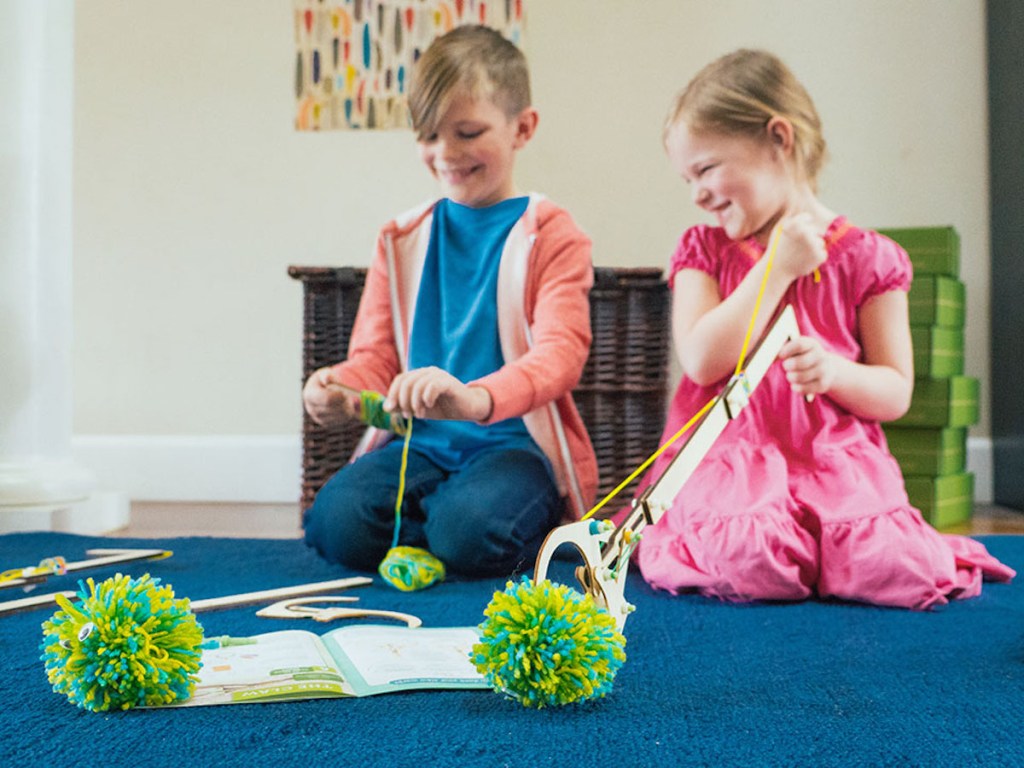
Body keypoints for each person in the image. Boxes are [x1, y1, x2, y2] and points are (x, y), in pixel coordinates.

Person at [634, 48, 1014, 609]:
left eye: (707, 168)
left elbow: (894, 391)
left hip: (835, 458)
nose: (697, 193)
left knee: (894, 562)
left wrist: (834, 372)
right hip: (737, 456)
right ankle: (802, 552)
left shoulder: (868, 258)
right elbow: (701, 360)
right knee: (751, 555)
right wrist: (776, 266)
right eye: (688, 177)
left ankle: (826, 551)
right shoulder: (705, 250)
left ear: (778, 139)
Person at [301, 25, 597, 578]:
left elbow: (560, 356)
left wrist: (475, 399)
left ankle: (458, 524)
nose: (445, 154)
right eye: (429, 135)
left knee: (470, 531)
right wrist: (340, 388)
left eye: (467, 132)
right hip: (422, 447)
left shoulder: (553, 234)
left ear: (523, 128)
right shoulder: (401, 239)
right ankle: (441, 524)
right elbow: (379, 359)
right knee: (333, 523)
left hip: (515, 447)